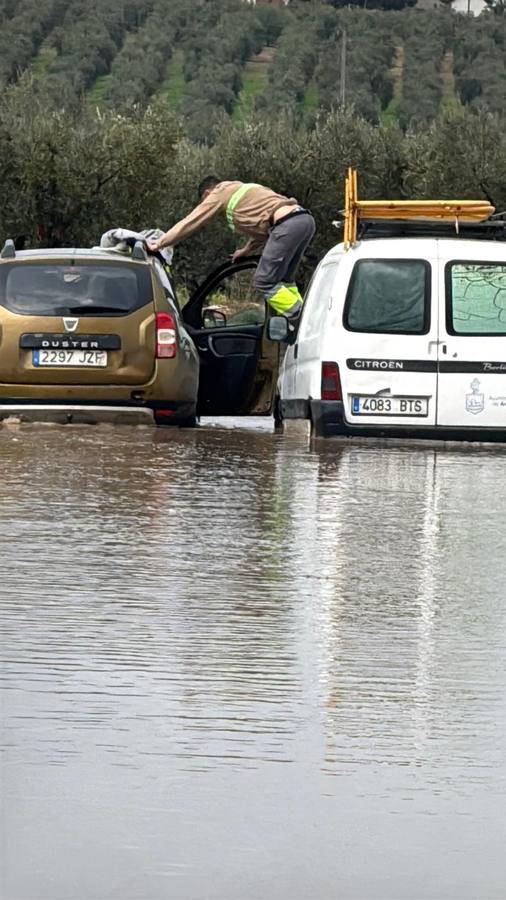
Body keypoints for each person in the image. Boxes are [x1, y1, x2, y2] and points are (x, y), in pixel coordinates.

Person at [147, 177, 316, 318]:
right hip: (304, 221)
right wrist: (246, 250)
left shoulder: (218, 193)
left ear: (207, 194)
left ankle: (302, 319)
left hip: (286, 226)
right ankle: (304, 313)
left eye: (205, 202)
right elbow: (264, 226)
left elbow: (190, 222)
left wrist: (160, 243)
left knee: (264, 281)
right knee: (284, 281)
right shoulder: (245, 189)